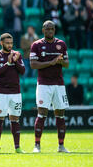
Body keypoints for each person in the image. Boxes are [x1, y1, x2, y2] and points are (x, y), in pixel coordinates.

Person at [30, 21, 70, 153]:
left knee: (60, 115)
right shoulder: (36, 45)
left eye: (52, 29)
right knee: (42, 114)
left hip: (59, 84)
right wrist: (51, 62)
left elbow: (67, 64)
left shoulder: (61, 44)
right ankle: (37, 145)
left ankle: (61, 146)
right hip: (43, 84)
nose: (50, 31)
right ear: (43, 30)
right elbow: (33, 65)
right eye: (47, 29)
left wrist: (60, 61)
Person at [0, 33, 26, 153]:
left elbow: (23, 71)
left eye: (11, 43)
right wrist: (8, 63)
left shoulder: (17, 55)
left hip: (15, 92)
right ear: (1, 43)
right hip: (2, 92)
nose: (10, 45)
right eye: (7, 43)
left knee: (15, 119)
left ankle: (17, 147)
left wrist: (15, 62)